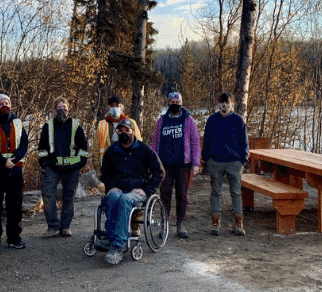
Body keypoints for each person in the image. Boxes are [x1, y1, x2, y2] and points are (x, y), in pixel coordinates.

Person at [100, 118, 164, 265]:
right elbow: (105, 173)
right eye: (120, 130)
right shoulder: (112, 151)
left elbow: (160, 173)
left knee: (124, 200)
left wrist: (146, 190)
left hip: (137, 190)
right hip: (118, 188)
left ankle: (118, 245)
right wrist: (111, 186)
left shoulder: (144, 150)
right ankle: (110, 238)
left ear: (132, 132)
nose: (123, 133)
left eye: (127, 130)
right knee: (112, 197)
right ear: (117, 132)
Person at [0, 93, 29, 252]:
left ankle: (14, 238)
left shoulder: (18, 123)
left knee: (15, 206)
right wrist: (3, 161)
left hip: (15, 171)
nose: (4, 105)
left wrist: (14, 160)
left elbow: (24, 144)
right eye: (1, 103)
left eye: (7, 102)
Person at [150, 92, 201, 239]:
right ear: (168, 104)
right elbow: (155, 141)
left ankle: (181, 223)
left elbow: (195, 142)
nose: (174, 104)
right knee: (165, 193)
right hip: (165, 163)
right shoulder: (161, 120)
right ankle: (164, 224)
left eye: (177, 101)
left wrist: (196, 163)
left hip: (183, 163)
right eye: (171, 101)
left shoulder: (188, 120)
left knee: (182, 194)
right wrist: (154, 162)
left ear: (181, 103)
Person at [37, 97, 89, 238]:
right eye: (59, 106)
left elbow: (83, 148)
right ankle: (53, 226)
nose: (62, 109)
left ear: (69, 109)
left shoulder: (75, 125)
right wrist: (44, 163)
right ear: (55, 109)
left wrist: (80, 163)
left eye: (64, 106)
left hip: (71, 167)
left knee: (69, 197)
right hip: (52, 167)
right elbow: (42, 147)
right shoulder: (48, 125)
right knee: (48, 193)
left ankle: (65, 226)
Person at [201, 92, 249, 236]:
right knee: (215, 192)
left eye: (227, 103)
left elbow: (244, 142)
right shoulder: (211, 120)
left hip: (234, 162)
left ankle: (238, 223)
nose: (224, 105)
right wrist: (207, 159)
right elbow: (207, 141)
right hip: (215, 162)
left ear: (231, 104)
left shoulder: (238, 120)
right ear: (218, 104)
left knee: (236, 192)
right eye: (221, 103)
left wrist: (242, 160)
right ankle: (215, 223)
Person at [95, 95, 142, 173]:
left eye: (117, 105)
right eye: (112, 106)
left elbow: (139, 144)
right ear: (108, 108)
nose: (115, 108)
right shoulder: (102, 124)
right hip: (108, 166)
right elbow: (96, 149)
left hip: (128, 165)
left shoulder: (131, 123)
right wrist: (98, 169)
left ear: (121, 107)